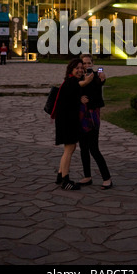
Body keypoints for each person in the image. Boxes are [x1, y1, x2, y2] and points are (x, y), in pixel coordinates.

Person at [53, 58, 89, 190]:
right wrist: (88, 80)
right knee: (69, 149)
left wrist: (79, 99)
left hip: (66, 120)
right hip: (67, 121)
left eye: (81, 68)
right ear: (71, 69)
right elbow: (81, 85)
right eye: (77, 68)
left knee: (70, 148)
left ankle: (60, 174)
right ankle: (65, 181)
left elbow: (71, 96)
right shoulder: (73, 81)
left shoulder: (69, 81)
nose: (80, 70)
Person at [78, 53, 112, 190]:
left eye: (88, 63)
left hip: (92, 116)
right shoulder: (78, 77)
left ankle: (107, 178)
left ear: (92, 63)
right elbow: (73, 91)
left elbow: (101, 79)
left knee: (94, 148)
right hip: (80, 116)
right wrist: (79, 99)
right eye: (84, 64)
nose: (86, 66)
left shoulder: (98, 76)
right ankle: (87, 176)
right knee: (83, 149)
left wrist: (101, 72)